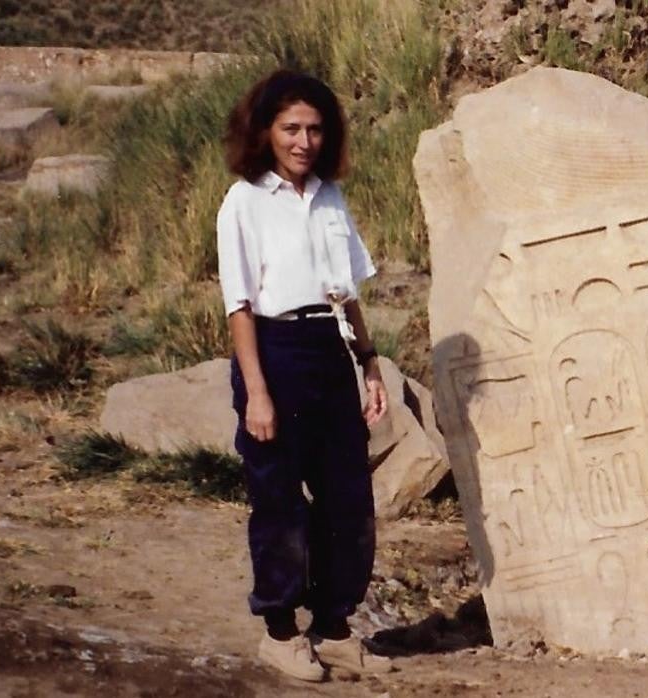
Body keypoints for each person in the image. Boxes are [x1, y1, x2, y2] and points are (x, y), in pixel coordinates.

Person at [216, 69, 393, 682]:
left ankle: (335, 624)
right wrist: (257, 393)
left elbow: (347, 294)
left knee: (348, 495)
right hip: (275, 348)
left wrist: (369, 363)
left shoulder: (330, 199)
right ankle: (280, 631)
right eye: (291, 128)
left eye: (315, 129)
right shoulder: (244, 202)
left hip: (329, 348)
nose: (304, 141)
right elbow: (238, 304)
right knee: (279, 501)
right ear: (265, 131)